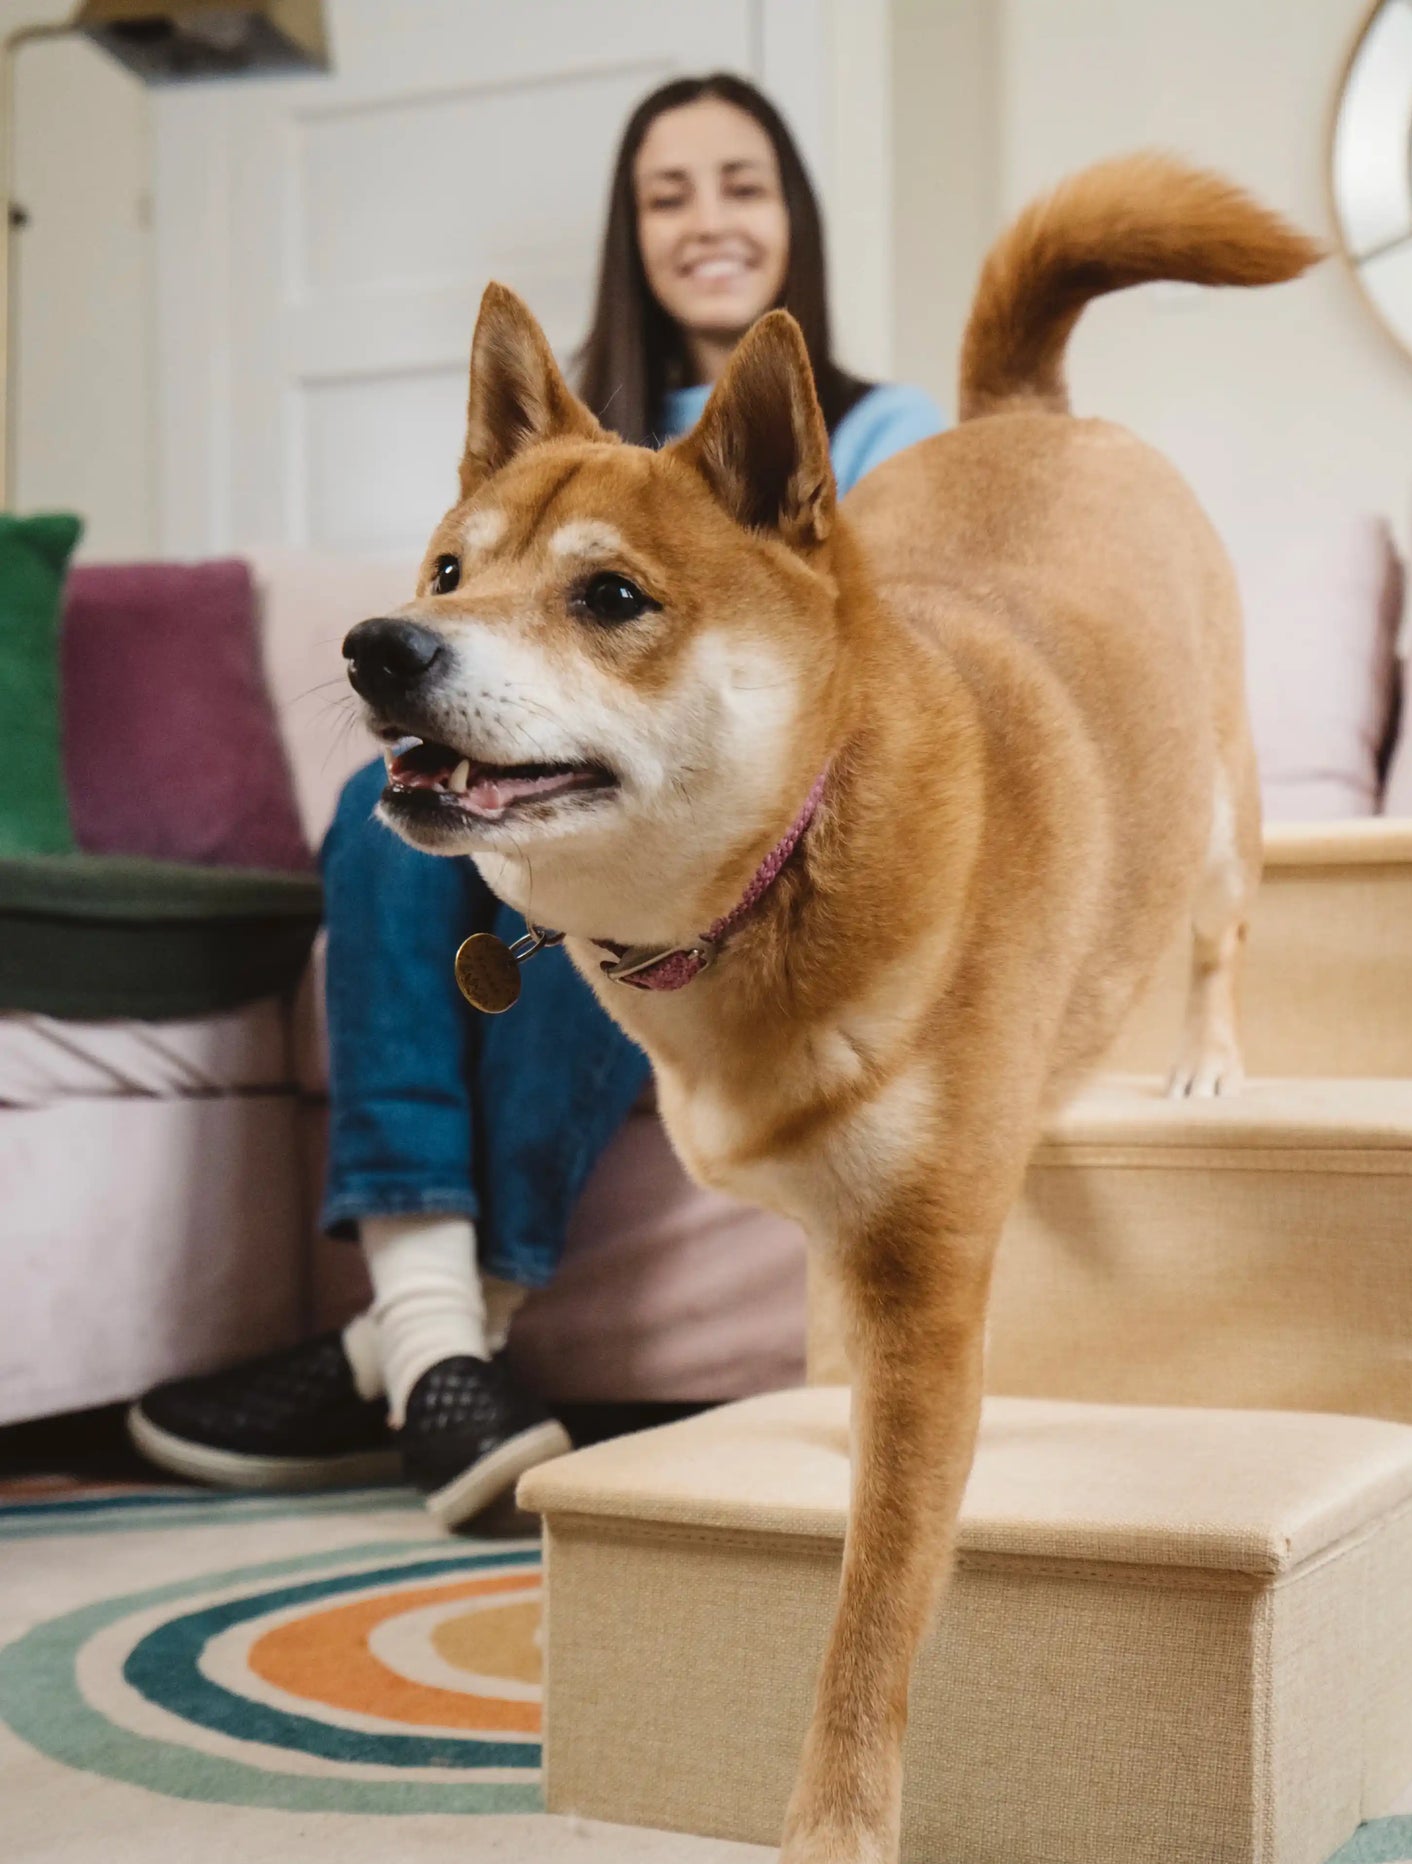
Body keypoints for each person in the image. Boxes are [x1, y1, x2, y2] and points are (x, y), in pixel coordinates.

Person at [128, 74, 943, 1529]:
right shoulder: (563, 432)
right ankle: (443, 1344)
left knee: (613, 851)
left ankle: (410, 1334)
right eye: (667, 192)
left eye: (739, 184)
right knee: (383, 813)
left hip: (743, 852)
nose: (706, 220)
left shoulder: (879, 435)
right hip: (545, 781)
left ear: (793, 214)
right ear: (629, 231)